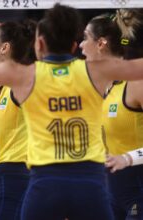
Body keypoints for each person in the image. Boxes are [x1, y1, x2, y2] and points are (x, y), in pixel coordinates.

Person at [0, 1, 143, 219]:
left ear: (39, 44)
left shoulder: (23, 76)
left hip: (45, 184)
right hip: (89, 183)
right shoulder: (98, 72)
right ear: (74, 46)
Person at [80, 9, 143, 219]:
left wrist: (128, 158)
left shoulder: (135, 84)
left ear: (101, 44)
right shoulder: (99, 90)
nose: (80, 45)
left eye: (85, 38)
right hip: (110, 193)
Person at [0, 20, 36, 220]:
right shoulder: (6, 86)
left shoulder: (23, 82)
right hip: (6, 174)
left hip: (16, 172)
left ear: (4, 48)